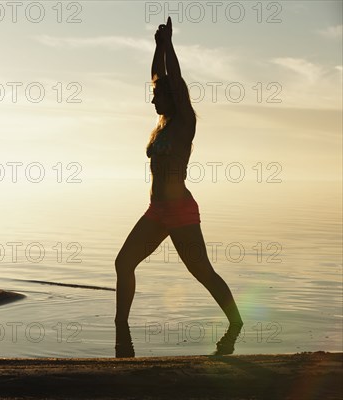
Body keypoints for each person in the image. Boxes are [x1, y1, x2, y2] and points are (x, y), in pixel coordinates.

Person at [114, 17, 243, 356]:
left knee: (202, 271)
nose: (152, 99)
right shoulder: (161, 125)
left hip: (181, 211)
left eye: (157, 95)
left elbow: (176, 81)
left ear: (172, 98)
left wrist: (169, 44)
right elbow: (158, 76)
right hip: (157, 211)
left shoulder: (184, 121)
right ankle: (120, 330)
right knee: (123, 263)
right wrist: (157, 46)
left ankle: (237, 323)